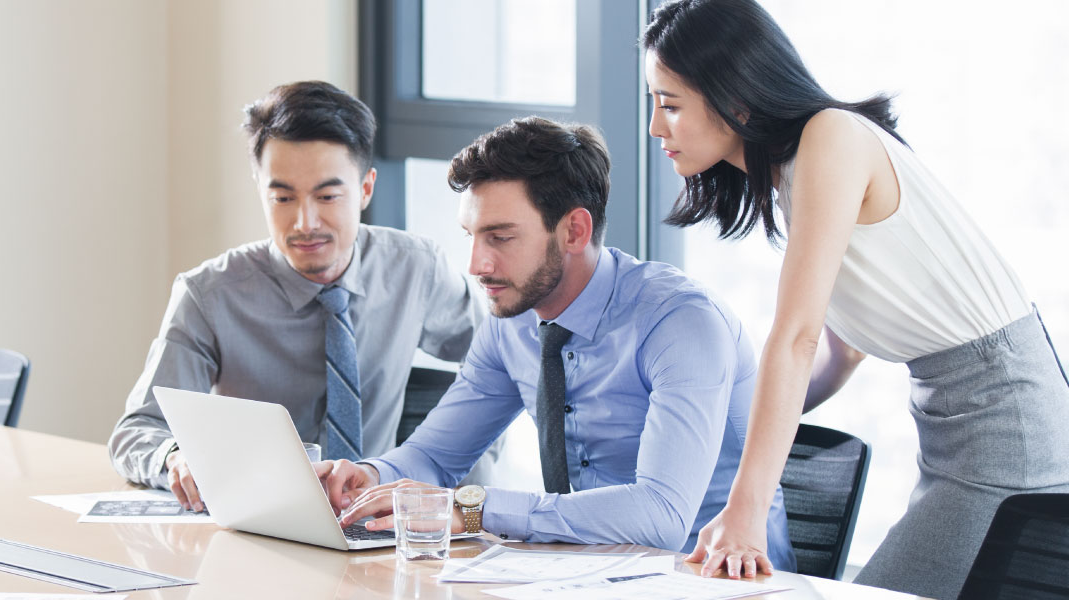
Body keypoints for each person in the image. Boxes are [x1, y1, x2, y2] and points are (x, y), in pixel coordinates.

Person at [641, 1, 1069, 597]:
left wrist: (747, 510)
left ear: (734, 97)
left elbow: (796, 339)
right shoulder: (795, 173)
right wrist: (730, 422)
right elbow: (842, 354)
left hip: (1002, 417)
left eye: (670, 104)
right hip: (960, 420)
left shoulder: (830, 137)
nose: (656, 128)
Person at [317, 117, 795, 569]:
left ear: (574, 230)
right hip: (584, 572)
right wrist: (371, 478)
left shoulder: (681, 323)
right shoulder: (512, 321)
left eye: (500, 237)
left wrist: (472, 509)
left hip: (711, 578)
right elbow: (437, 456)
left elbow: (661, 516)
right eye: (472, 235)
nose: (477, 264)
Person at [109, 81, 491, 512]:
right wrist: (173, 457)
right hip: (260, 524)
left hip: (378, 521)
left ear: (366, 188)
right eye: (282, 197)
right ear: (259, 188)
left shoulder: (415, 269)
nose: (304, 222)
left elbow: (500, 364)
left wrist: (466, 483)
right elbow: (138, 431)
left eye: (327, 196)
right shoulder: (209, 295)